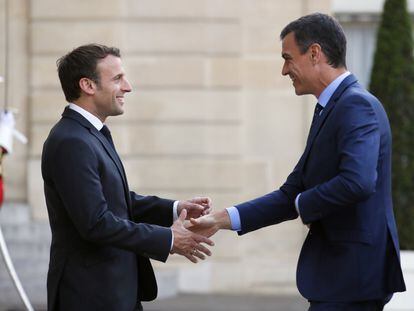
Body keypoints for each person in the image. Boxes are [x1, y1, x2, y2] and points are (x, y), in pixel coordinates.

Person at [189, 13, 406, 311]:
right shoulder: (329, 109)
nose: (283, 70)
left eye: (288, 58)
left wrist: (303, 204)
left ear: (314, 53)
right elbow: (290, 193)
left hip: (353, 278)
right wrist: (220, 219)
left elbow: (357, 181)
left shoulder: (355, 105)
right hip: (340, 278)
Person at [41, 44, 214, 311]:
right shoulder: (71, 141)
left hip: (114, 291)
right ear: (87, 85)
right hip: (91, 296)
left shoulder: (89, 134)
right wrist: (167, 239)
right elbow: (95, 222)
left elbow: (116, 201)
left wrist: (174, 208)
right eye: (117, 78)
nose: (128, 87)